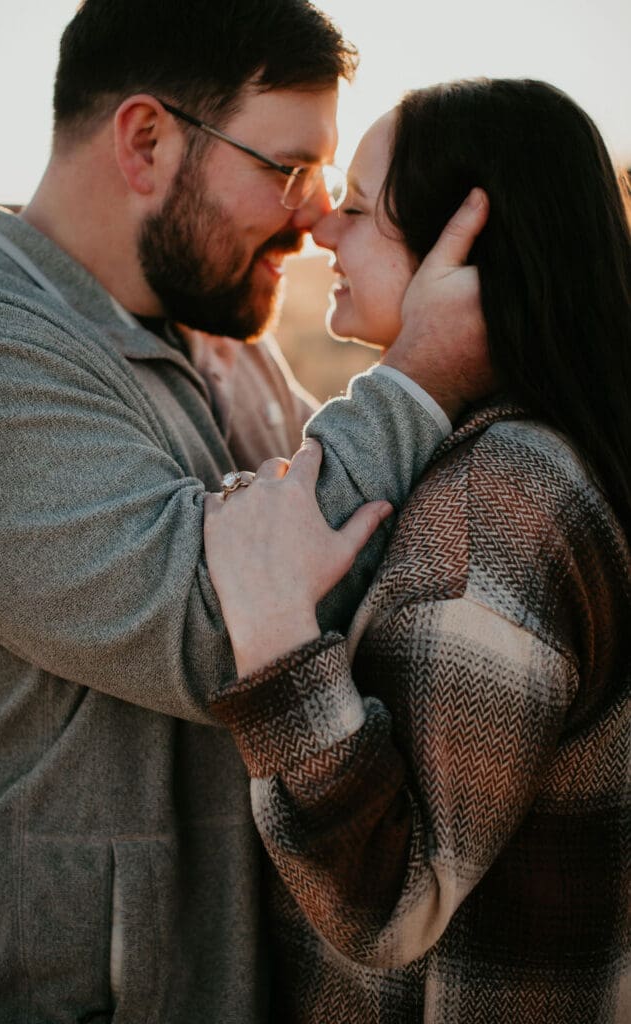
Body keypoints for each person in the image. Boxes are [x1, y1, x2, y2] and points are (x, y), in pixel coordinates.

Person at [0, 2, 491, 1020]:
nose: (314, 214)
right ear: (146, 142)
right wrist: (419, 377)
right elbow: (233, 631)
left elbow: (353, 565)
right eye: (287, 169)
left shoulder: (223, 340)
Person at [204, 79, 631, 1022]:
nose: (321, 231)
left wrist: (274, 635)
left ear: (464, 247)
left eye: (357, 210)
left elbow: (388, 906)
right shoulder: (542, 455)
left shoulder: (498, 503)